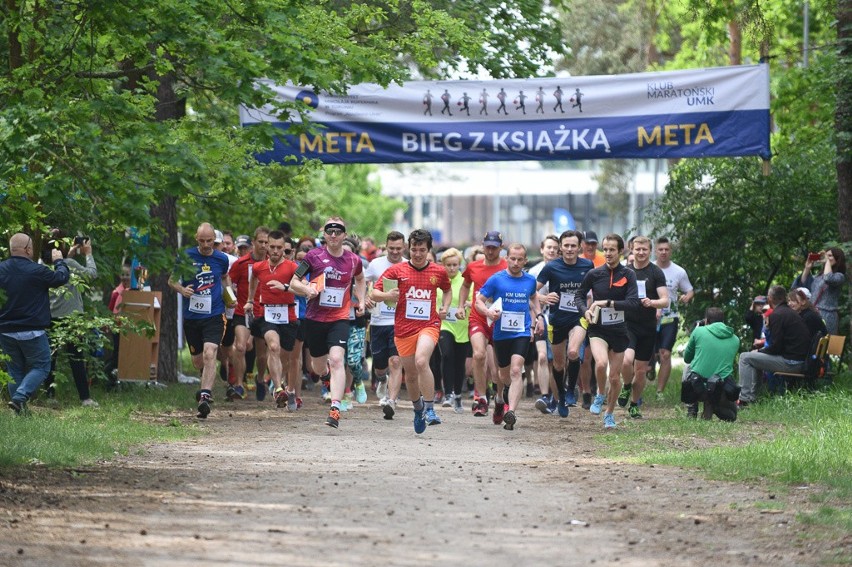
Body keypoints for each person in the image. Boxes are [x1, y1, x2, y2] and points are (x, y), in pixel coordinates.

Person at [371, 229, 452, 433]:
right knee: (412, 375)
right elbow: (374, 292)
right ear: (409, 248)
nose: (417, 254)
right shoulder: (397, 270)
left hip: (428, 325)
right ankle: (418, 409)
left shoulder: (438, 271)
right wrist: (388, 294)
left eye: (422, 250)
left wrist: (445, 307)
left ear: (428, 250)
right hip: (404, 328)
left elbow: (447, 289)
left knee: (421, 361)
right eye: (414, 249)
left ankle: (431, 409)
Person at [289, 217, 366, 429]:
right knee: (318, 366)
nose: (333, 235)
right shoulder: (313, 256)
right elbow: (294, 281)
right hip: (314, 319)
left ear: (344, 234)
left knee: (337, 359)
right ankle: (325, 377)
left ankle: (335, 408)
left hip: (339, 318)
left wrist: (360, 300)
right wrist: (307, 290)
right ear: (324, 234)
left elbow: (360, 279)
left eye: (338, 231)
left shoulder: (352, 260)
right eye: (330, 231)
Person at [1, 233, 70, 414]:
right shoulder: (37, 271)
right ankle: (20, 397)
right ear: (28, 249)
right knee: (41, 366)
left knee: (14, 369)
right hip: (32, 331)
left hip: (5, 331)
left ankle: (20, 412)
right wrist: (59, 261)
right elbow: (61, 278)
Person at [169, 223, 233, 419]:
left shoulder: (221, 259)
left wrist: (230, 296)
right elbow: (172, 280)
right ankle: (205, 382)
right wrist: (182, 290)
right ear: (196, 239)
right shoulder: (186, 256)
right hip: (192, 316)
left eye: (210, 241)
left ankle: (205, 396)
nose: (206, 245)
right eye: (202, 241)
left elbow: (224, 278)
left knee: (210, 351)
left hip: (214, 314)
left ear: (215, 240)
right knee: (198, 362)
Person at [476, 244, 544, 430]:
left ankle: (511, 411)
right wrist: (488, 313)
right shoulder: (496, 280)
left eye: (519, 259)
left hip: (521, 332)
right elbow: (478, 301)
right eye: (512, 259)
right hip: (501, 334)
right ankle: (499, 398)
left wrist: (538, 317)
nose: (515, 263)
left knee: (516, 371)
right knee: (502, 374)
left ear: (525, 261)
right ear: (507, 258)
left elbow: (534, 297)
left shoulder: (530, 280)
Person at [575, 234, 639, 429]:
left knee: (615, 377)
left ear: (621, 251)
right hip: (598, 328)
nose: (608, 253)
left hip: (619, 331)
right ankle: (600, 394)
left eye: (612, 250)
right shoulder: (594, 274)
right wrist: (585, 311)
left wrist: (608, 303)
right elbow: (579, 296)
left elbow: (633, 303)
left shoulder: (628, 274)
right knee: (601, 364)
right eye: (606, 249)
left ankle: (609, 414)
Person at [535, 230, 594, 416]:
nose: (569, 249)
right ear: (561, 247)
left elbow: (594, 290)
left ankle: (570, 390)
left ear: (579, 247)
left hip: (578, 317)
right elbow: (531, 291)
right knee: (559, 364)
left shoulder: (587, 265)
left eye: (573, 246)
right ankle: (560, 394)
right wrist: (543, 298)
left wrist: (591, 309)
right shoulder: (552, 267)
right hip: (557, 320)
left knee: (574, 352)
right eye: (566, 245)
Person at [245, 230, 300, 410]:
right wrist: (250, 300)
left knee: (284, 357)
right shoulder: (259, 267)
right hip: (267, 315)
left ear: (285, 248)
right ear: (267, 247)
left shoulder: (292, 267)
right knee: (273, 347)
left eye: (279, 248)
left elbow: (303, 289)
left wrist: (285, 288)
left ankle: (280, 382)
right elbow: (253, 280)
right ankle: (278, 389)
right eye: (272, 247)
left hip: (288, 316)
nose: (275, 251)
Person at [456, 230, 508, 419]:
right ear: (483, 245)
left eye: (495, 247)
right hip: (478, 316)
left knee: (500, 367)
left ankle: (501, 398)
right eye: (488, 247)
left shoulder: (507, 266)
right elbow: (465, 285)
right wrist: (461, 305)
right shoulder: (473, 266)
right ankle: (481, 397)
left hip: (500, 317)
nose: (491, 251)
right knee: (478, 354)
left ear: (501, 248)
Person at [45, 233, 100, 407]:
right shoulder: (70, 265)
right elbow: (91, 274)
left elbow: (60, 268)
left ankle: (49, 396)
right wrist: (88, 253)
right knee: (76, 358)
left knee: (50, 358)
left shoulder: (42, 266)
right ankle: (85, 398)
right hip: (72, 318)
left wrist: (68, 254)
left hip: (49, 317)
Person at [618, 236, 668, 419]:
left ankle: (634, 404)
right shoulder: (625, 272)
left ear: (650, 250)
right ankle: (625, 386)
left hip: (647, 326)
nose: (640, 253)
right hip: (628, 323)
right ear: (631, 250)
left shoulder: (656, 272)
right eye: (637, 249)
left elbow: (665, 300)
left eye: (644, 249)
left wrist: (652, 302)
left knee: (641, 371)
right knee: (625, 361)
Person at [737, 285, 811, 406]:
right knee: (753, 359)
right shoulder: (789, 313)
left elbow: (776, 347)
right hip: (799, 360)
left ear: (770, 299)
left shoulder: (777, 315)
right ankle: (753, 397)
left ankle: (744, 399)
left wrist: (760, 351)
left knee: (745, 357)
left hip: (791, 363)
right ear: (785, 298)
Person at [364, 231, 406, 418]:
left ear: (404, 248)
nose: (395, 252)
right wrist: (364, 297)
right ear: (385, 247)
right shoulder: (375, 264)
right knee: (380, 364)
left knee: (396, 361)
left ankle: (392, 400)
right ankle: (382, 379)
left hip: (399, 322)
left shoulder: (408, 266)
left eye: (398, 248)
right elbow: (362, 283)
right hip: (378, 321)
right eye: (391, 248)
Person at [229, 229, 269, 399]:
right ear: (254, 242)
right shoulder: (241, 263)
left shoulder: (272, 264)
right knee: (240, 346)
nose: (264, 246)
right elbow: (229, 281)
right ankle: (238, 385)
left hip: (264, 313)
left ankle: (260, 378)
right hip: (243, 310)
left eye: (267, 242)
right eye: (260, 242)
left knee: (261, 354)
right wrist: (230, 296)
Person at [682, 307, 740, 421]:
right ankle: (713, 406)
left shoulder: (699, 331)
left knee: (688, 368)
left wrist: (697, 331)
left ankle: (692, 409)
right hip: (722, 386)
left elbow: (687, 358)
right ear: (723, 321)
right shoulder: (735, 339)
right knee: (732, 415)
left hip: (698, 385)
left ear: (707, 320)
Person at [653, 236, 694, 397]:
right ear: (655, 251)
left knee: (665, 353)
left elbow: (689, 290)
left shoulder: (679, 271)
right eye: (660, 249)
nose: (663, 252)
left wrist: (687, 297)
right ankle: (649, 368)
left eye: (666, 249)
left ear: (670, 251)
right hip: (649, 318)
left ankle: (659, 391)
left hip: (670, 317)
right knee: (650, 355)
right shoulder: (649, 268)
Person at [436, 248, 470, 413]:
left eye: (455, 265)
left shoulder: (465, 281)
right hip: (444, 325)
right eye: (448, 265)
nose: (451, 268)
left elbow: (472, 300)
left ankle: (457, 394)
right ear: (443, 265)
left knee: (459, 362)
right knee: (447, 354)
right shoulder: (438, 281)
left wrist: (465, 306)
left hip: (461, 326)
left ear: (459, 265)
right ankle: (447, 393)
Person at [526, 235, 559, 403]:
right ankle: (544, 395)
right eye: (549, 247)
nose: (552, 250)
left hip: (559, 320)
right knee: (542, 357)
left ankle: (556, 395)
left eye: (555, 247)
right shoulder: (534, 271)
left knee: (556, 362)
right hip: (540, 319)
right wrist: (542, 298)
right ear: (542, 249)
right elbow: (527, 295)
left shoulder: (563, 269)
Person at [793, 248, 847, 335]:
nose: (827, 258)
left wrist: (827, 261)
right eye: (826, 255)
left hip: (827, 315)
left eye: (830, 256)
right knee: (810, 340)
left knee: (823, 342)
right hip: (813, 313)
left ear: (838, 259)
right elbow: (803, 286)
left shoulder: (839, 276)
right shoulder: (819, 276)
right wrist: (807, 268)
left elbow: (828, 278)